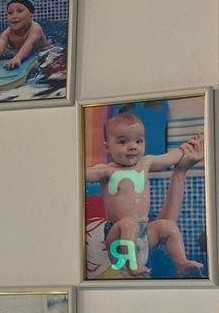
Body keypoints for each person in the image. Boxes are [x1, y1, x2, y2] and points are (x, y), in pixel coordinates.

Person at [83, 115, 205, 278]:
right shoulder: (106, 171)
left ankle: (182, 263)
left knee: (168, 226)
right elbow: (79, 173)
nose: (133, 147)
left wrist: (191, 146)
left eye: (138, 141)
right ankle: (132, 264)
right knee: (128, 223)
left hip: (144, 234)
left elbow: (174, 156)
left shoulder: (146, 163)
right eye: (123, 142)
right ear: (107, 146)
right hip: (117, 235)